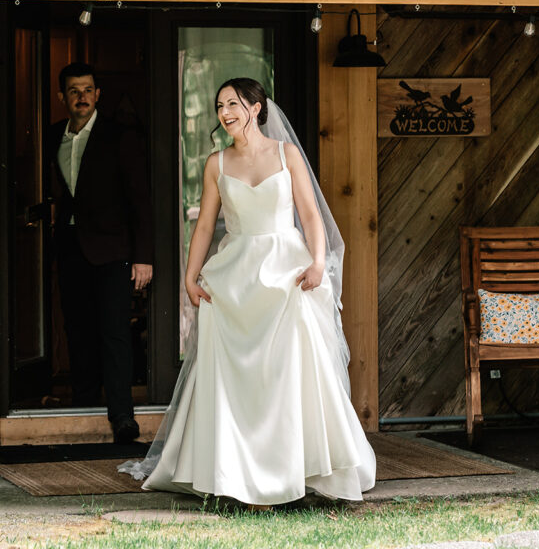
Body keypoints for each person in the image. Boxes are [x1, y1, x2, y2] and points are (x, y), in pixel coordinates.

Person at [120, 78, 375, 505]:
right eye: (219, 106)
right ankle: (232, 468)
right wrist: (190, 276)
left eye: (232, 104)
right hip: (235, 277)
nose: (224, 113)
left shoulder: (286, 154)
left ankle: (303, 466)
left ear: (256, 108)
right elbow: (204, 226)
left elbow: (310, 216)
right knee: (234, 378)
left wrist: (316, 262)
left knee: (293, 370)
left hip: (286, 272)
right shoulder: (216, 164)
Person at [48, 62, 153, 443]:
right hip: (71, 249)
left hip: (112, 251)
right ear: (63, 96)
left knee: (114, 334)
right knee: (77, 332)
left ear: (98, 95)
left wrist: (144, 256)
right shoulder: (53, 136)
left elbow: (140, 200)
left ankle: (122, 416)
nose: (82, 97)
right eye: (74, 90)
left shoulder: (119, 137)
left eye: (88, 89)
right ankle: (84, 406)